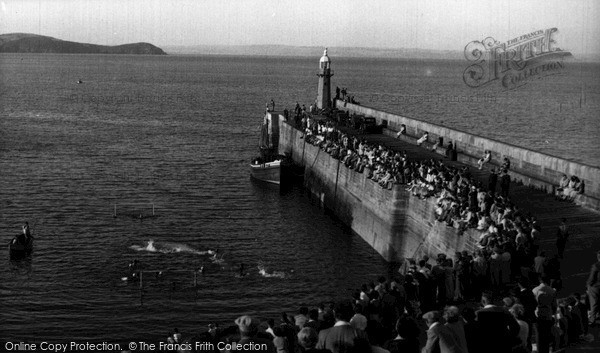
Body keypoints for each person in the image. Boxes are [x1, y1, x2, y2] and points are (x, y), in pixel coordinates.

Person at [532, 275, 557, 353]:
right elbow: (554, 305)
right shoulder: (552, 291)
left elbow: (532, 303)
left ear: (540, 281)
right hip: (548, 314)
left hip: (537, 314)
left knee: (539, 335)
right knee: (546, 335)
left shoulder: (535, 290)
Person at [586, 250, 600, 326]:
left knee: (594, 303)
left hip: (595, 287)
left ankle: (592, 319)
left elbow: (591, 278)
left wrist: (588, 286)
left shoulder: (596, 266)